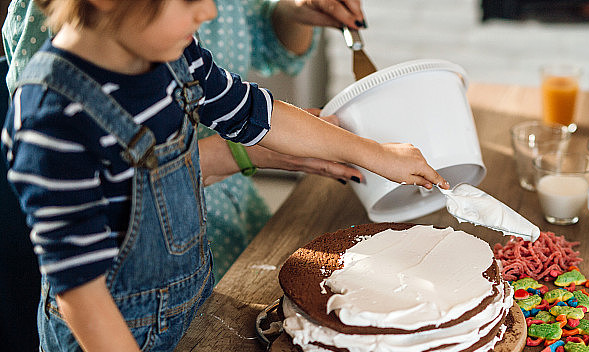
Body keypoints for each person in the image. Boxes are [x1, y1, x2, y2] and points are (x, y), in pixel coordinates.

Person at [3, 0, 447, 352]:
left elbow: (258, 113)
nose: (209, 12)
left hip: (192, 311)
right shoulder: (51, 118)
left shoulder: (174, 54)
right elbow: (80, 294)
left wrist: (375, 153)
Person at [3, 0, 367, 281]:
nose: (210, 12)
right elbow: (95, 192)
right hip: (144, 254)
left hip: (231, 225)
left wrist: (292, 12)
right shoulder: (53, 95)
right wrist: (241, 151)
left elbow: (251, 82)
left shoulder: (187, 53)